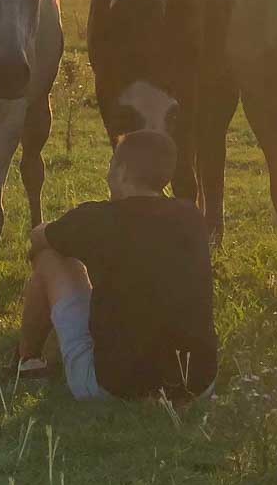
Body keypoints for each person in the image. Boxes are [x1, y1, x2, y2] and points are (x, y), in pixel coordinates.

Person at [16, 130, 216, 402]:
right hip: (196, 383)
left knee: (49, 256)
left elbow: (38, 237)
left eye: (111, 167)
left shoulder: (96, 220)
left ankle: (29, 361)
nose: (108, 176)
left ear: (121, 172)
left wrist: (58, 232)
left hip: (115, 386)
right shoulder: (191, 217)